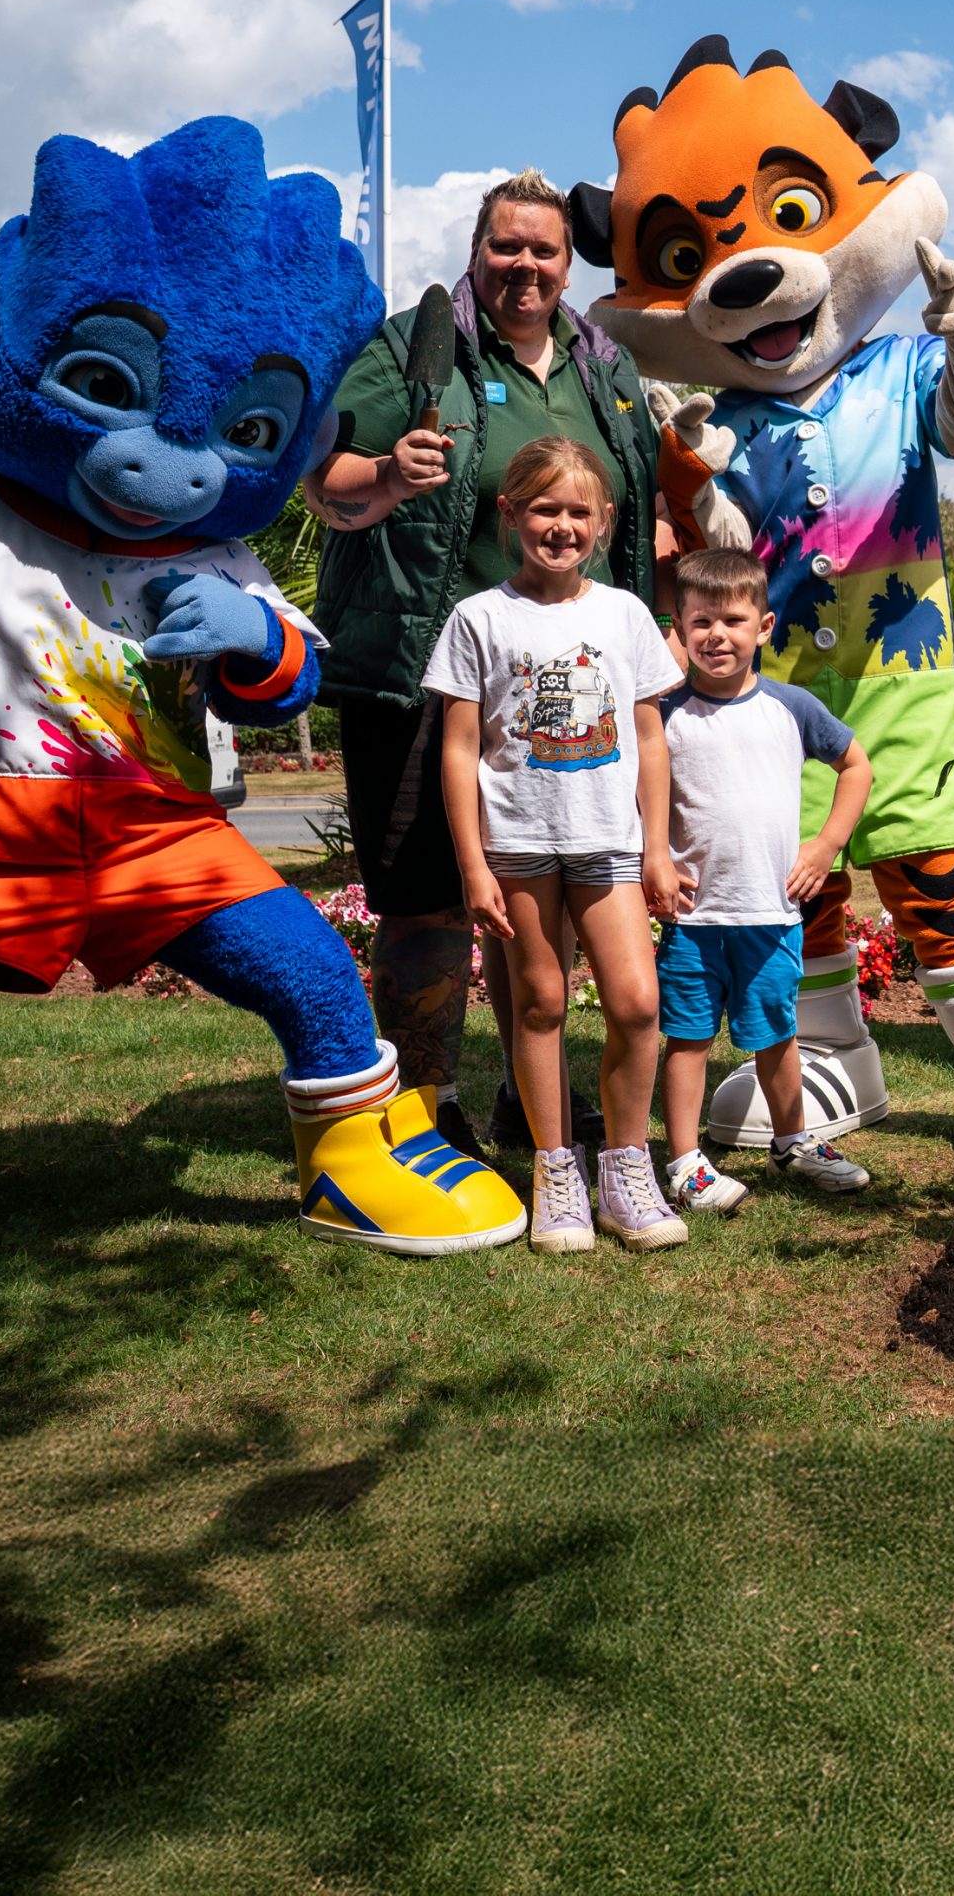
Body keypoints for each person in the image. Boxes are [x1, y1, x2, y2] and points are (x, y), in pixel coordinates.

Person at [307, 173, 663, 1163]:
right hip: (421, 679)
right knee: (424, 896)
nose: (525, 266)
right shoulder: (414, 351)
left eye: (543, 250)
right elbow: (321, 481)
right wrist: (383, 477)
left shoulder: (605, 366)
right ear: (475, 251)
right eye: (506, 247)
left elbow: (631, 510)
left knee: (530, 896)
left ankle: (528, 1102)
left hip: (560, 693)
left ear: (567, 262)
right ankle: (421, 1105)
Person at [427, 437, 686, 1254]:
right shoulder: (479, 618)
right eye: (545, 509)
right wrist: (473, 863)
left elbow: (649, 738)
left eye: (579, 512)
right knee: (537, 1003)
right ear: (510, 516)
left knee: (638, 1004)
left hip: (608, 843)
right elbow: (460, 748)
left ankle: (626, 1165)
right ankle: (556, 1171)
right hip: (519, 847)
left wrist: (656, 847)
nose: (562, 526)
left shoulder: (623, 613)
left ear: (605, 522)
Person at [654, 547, 878, 1210]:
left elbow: (857, 766)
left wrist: (827, 846)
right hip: (694, 920)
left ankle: (794, 1143)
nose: (715, 635)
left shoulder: (793, 708)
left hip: (771, 913)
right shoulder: (663, 715)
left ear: (764, 626)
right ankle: (686, 1163)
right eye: (700, 622)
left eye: (731, 620)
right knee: (688, 1039)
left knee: (778, 1036)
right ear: (681, 628)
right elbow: (639, 797)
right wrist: (656, 862)